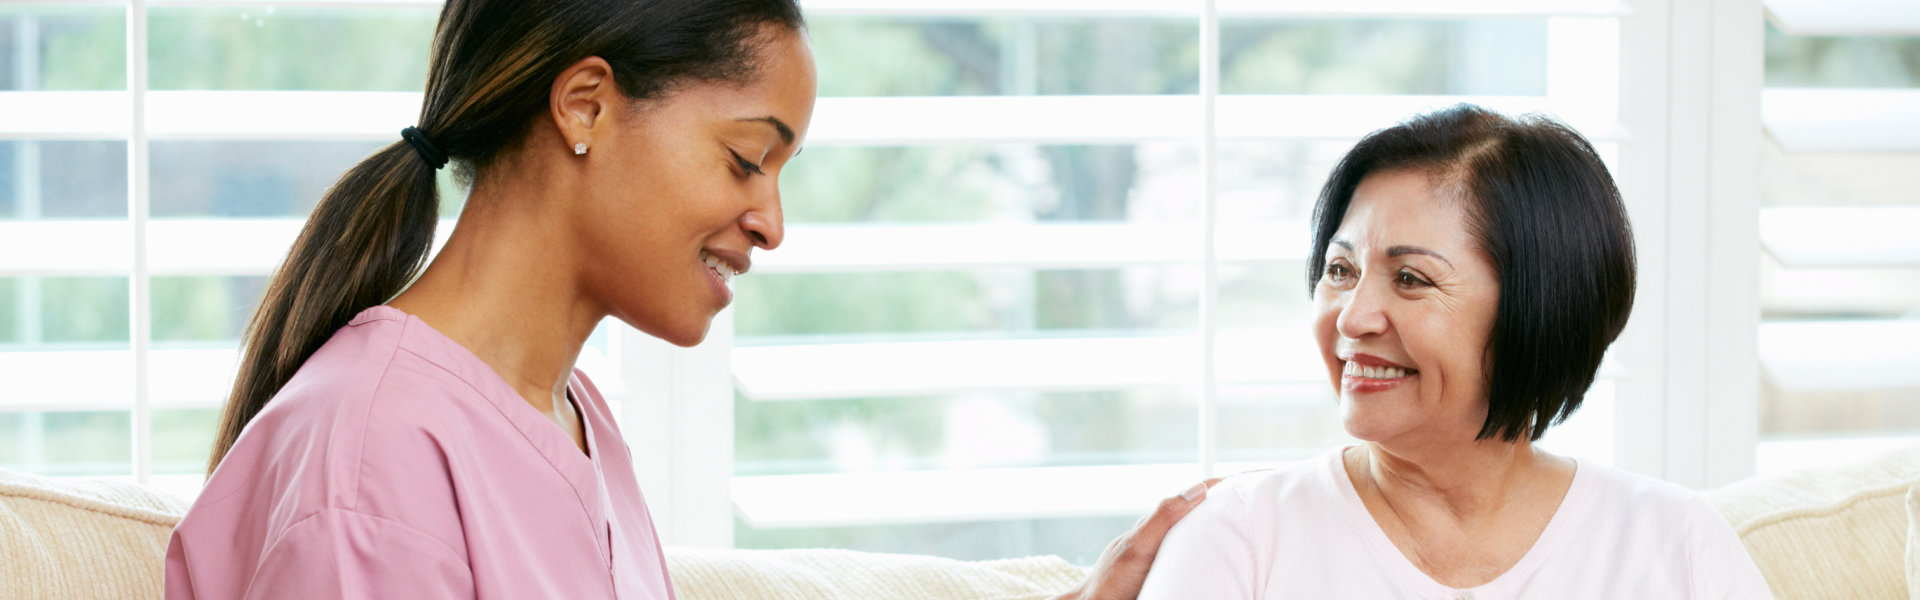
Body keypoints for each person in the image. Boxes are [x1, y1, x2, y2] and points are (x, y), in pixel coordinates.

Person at [163, 1, 1208, 598]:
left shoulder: (576, 422)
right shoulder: (373, 455)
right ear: (586, 106)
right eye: (747, 158)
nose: (772, 221)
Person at [1136, 105, 1772, 599]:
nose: (1352, 317)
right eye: (1339, 269)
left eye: (1410, 279)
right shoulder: (1240, 539)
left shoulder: (1675, 545)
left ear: (1539, 308)